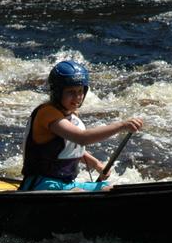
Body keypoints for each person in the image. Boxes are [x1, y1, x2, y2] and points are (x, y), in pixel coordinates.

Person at [20, 60, 143, 192]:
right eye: (71, 92)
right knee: (83, 192)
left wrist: (96, 164)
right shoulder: (47, 113)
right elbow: (82, 138)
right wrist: (121, 125)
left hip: (65, 184)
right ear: (57, 92)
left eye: (80, 91)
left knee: (108, 188)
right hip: (41, 184)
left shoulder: (70, 114)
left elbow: (71, 148)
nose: (78, 97)